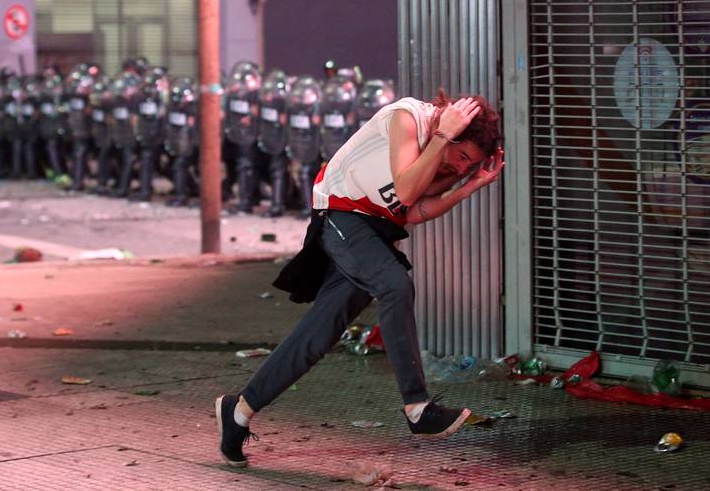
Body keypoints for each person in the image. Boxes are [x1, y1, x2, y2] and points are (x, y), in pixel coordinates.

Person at [214, 89, 505, 468]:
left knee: (319, 334)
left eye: (470, 164)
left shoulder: (441, 155)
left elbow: (413, 210)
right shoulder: (407, 118)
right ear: (449, 125)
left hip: (372, 230)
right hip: (341, 215)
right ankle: (418, 407)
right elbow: (405, 188)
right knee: (395, 284)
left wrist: (468, 186)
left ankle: (239, 411)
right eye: (463, 156)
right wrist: (441, 138)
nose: (463, 166)